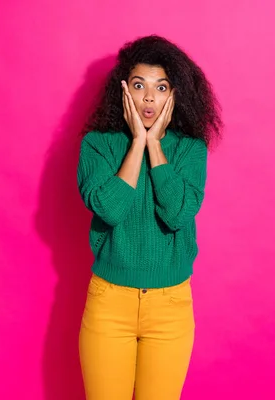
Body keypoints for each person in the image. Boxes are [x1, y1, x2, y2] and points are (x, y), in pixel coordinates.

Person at [76, 35, 222, 400]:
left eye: (161, 87)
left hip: (170, 307)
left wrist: (155, 145)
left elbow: (177, 214)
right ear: (123, 89)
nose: (149, 98)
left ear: (176, 93)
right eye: (139, 86)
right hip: (110, 303)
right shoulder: (97, 144)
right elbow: (109, 208)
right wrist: (137, 143)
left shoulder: (190, 149)